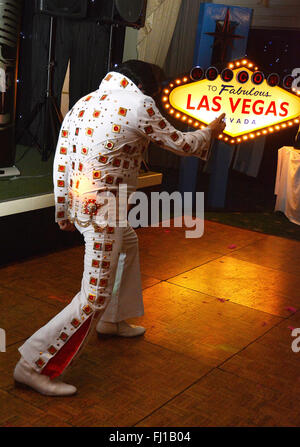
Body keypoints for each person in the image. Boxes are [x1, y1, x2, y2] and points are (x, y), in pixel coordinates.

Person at [13, 60, 226, 396]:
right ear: (146, 86)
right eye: (158, 88)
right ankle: (33, 365)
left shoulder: (86, 101)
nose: (158, 94)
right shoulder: (139, 103)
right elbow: (183, 145)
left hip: (84, 203)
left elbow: (61, 158)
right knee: (93, 296)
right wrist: (210, 132)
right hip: (104, 211)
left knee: (129, 245)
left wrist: (63, 210)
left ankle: (114, 320)